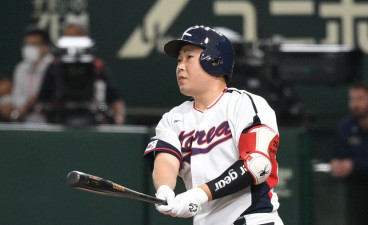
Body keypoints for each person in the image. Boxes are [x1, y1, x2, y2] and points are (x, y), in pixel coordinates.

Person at [143, 25, 283, 225]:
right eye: (179, 60)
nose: (180, 66)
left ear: (215, 61)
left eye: (189, 57)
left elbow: (257, 165)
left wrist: (199, 194)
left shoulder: (245, 104)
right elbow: (166, 158)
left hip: (253, 219)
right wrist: (165, 189)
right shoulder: (173, 118)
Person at [38, 19, 126, 125]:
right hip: (60, 120)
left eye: (76, 37)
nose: (73, 42)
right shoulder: (54, 67)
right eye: (69, 38)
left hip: (92, 120)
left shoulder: (97, 66)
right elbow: (41, 102)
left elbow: (115, 100)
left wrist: (118, 118)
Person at [331, 82, 368, 224]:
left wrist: (354, 165)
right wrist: (337, 164)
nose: (355, 104)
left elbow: (353, 163)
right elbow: (339, 155)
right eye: (352, 99)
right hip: (355, 191)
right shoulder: (345, 127)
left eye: (360, 99)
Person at [10, 26, 53, 121]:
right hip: (28, 123)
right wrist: (28, 103)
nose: (29, 48)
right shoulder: (21, 68)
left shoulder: (54, 67)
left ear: (46, 48)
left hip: (51, 122)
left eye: (34, 44)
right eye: (27, 44)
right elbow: (16, 99)